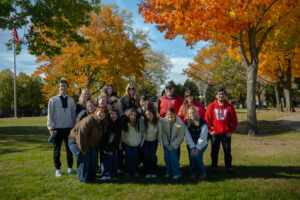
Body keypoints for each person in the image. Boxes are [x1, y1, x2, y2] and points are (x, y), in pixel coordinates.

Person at [68, 107, 107, 183]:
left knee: (93, 160)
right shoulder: (89, 120)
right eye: (100, 112)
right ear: (96, 112)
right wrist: (84, 150)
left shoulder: (100, 122)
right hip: (76, 141)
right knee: (84, 158)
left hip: (89, 143)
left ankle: (92, 178)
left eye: (104, 113)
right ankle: (83, 179)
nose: (102, 114)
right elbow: (81, 136)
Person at [47, 79, 76, 177]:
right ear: (59, 88)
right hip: (57, 129)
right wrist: (50, 128)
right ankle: (58, 169)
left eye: (65, 86)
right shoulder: (53, 100)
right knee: (57, 150)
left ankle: (70, 168)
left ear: (67, 88)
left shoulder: (71, 100)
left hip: (69, 128)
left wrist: (74, 127)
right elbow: (50, 115)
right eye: (61, 86)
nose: (63, 88)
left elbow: (73, 115)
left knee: (70, 149)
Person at [205, 88, 238, 173]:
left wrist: (231, 131)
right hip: (215, 134)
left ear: (225, 95)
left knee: (227, 151)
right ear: (216, 95)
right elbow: (206, 120)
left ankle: (228, 167)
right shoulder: (211, 106)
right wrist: (210, 130)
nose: (221, 95)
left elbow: (235, 121)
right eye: (219, 94)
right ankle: (214, 167)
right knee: (214, 152)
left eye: (222, 94)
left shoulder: (229, 106)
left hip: (226, 134)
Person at [185, 107, 208, 179]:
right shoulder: (186, 122)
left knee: (197, 156)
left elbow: (203, 136)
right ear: (188, 114)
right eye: (190, 113)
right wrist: (192, 147)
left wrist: (197, 148)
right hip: (191, 144)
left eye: (193, 112)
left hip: (202, 143)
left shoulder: (202, 121)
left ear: (196, 112)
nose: (192, 114)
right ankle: (193, 173)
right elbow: (187, 136)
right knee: (192, 156)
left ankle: (203, 173)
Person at [161, 108, 184, 179]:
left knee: (173, 156)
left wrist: (172, 146)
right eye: (168, 114)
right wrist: (166, 144)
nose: (169, 116)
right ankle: (168, 173)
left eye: (171, 114)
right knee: (166, 157)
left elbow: (180, 137)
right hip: (166, 143)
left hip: (175, 144)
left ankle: (177, 173)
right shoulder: (163, 121)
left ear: (175, 114)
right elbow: (163, 134)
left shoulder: (180, 123)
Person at [121, 108, 145, 177]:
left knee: (135, 157)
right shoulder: (125, 123)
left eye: (134, 115)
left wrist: (140, 141)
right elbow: (122, 135)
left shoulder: (139, 122)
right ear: (128, 115)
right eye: (131, 115)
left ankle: (134, 171)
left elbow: (142, 132)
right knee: (128, 157)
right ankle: (127, 171)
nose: (133, 116)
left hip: (136, 143)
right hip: (127, 143)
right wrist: (125, 141)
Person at [101, 109, 122, 180]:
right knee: (108, 158)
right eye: (112, 114)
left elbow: (118, 139)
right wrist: (107, 149)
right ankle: (106, 174)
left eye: (115, 114)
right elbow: (102, 139)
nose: (114, 115)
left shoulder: (119, 124)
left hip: (113, 147)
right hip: (105, 147)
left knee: (115, 159)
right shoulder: (106, 124)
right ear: (109, 115)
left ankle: (113, 174)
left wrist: (114, 149)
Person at [142, 107, 161, 178]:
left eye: (150, 114)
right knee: (147, 156)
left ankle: (153, 171)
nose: (148, 116)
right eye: (147, 115)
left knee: (152, 156)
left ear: (153, 113)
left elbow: (166, 119)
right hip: (145, 141)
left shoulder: (158, 121)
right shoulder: (143, 121)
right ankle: (147, 171)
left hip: (154, 141)